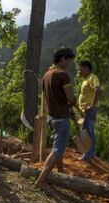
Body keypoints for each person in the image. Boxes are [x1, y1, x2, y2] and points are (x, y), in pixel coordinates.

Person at [34, 48, 76, 191]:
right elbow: (70, 98)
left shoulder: (46, 75)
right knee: (58, 149)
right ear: (63, 58)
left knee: (59, 147)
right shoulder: (62, 74)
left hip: (52, 116)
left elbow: (55, 97)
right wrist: (73, 102)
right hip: (61, 118)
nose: (69, 63)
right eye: (69, 60)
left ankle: (61, 173)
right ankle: (41, 180)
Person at [77, 60, 101, 162]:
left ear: (86, 68)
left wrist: (92, 105)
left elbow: (98, 90)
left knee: (88, 132)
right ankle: (87, 153)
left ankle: (88, 155)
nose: (79, 71)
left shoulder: (92, 77)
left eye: (80, 69)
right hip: (84, 111)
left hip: (89, 111)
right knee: (85, 132)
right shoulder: (86, 79)